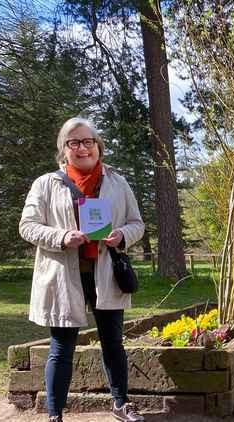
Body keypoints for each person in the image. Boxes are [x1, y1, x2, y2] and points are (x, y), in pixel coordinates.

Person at [19, 117, 145, 422]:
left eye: (88, 141)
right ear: (64, 150)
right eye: (73, 142)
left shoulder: (117, 182)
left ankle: (120, 404)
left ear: (98, 146)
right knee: (61, 347)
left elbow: (137, 224)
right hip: (64, 276)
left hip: (107, 274)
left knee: (113, 342)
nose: (82, 147)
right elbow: (27, 226)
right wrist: (62, 237)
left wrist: (122, 235)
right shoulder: (46, 184)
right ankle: (54, 414)